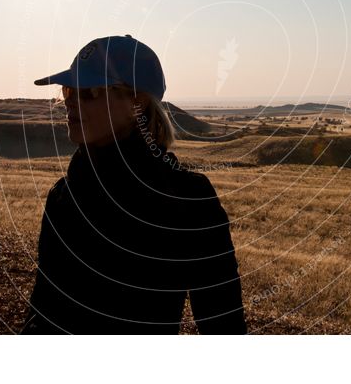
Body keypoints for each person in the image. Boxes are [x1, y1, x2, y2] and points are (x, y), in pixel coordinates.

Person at [20, 34, 247, 334]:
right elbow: (42, 311)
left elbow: (224, 326)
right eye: (68, 90)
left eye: (88, 92)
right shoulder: (63, 196)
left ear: (136, 103)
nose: (71, 102)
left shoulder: (188, 200)